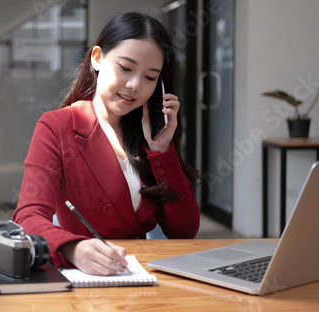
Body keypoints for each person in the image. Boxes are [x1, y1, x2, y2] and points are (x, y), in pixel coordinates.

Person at [13, 11, 200, 276]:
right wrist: (73, 249)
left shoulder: (148, 134)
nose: (135, 85)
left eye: (150, 78)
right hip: (84, 275)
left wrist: (162, 152)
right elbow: (28, 217)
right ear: (98, 58)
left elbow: (184, 231)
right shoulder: (57, 126)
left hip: (139, 273)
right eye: (125, 68)